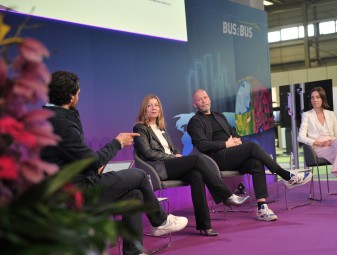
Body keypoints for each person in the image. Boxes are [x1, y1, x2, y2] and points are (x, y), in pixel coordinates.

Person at [41, 71, 188, 255]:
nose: (79, 97)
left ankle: (133, 251)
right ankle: (160, 221)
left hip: (73, 182)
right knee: (140, 175)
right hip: (75, 191)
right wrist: (118, 143)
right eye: (78, 94)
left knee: (133, 195)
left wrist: (94, 165)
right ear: (71, 97)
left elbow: (74, 158)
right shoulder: (61, 121)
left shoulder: (49, 115)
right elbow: (90, 162)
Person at [187, 89, 313, 221]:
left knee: (256, 163)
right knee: (252, 147)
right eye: (199, 99)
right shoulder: (195, 122)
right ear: (195, 104)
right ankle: (286, 175)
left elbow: (233, 133)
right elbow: (202, 145)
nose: (203, 101)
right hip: (216, 159)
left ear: (209, 99)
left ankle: (262, 207)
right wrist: (225, 144)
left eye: (205, 98)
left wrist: (237, 140)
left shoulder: (219, 116)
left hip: (231, 154)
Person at [133, 94, 250, 236]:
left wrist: (176, 154)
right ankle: (226, 195)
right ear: (144, 109)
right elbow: (147, 153)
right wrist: (172, 157)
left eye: (156, 105)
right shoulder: (139, 128)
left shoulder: (161, 128)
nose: (153, 108)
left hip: (171, 163)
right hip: (160, 168)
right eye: (150, 105)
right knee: (197, 160)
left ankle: (204, 225)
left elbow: (173, 148)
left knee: (197, 175)